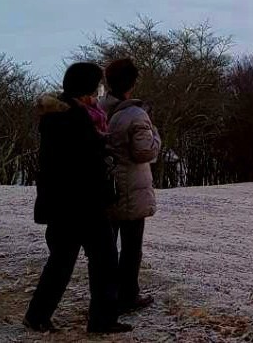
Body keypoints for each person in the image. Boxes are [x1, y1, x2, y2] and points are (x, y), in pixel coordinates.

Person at [24, 62, 128, 335]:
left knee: (61, 262)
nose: (97, 93)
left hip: (63, 204)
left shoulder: (59, 115)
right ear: (86, 90)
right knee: (104, 260)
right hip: (82, 202)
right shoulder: (75, 119)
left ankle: (37, 315)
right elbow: (83, 162)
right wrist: (103, 153)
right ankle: (102, 320)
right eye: (95, 87)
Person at [101, 57, 161, 316]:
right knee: (131, 246)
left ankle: (106, 295)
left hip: (105, 186)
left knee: (105, 247)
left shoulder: (98, 109)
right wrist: (156, 134)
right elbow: (144, 152)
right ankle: (128, 295)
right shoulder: (137, 114)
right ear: (132, 83)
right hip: (132, 188)